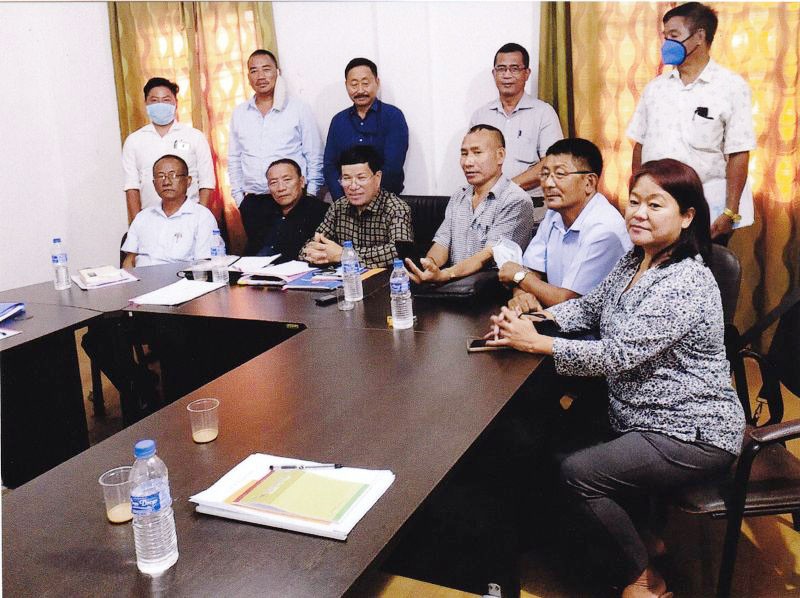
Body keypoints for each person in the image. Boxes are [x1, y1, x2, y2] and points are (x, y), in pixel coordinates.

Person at [487, 158, 745, 597]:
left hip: (691, 430)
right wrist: (534, 317)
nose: (638, 213)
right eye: (634, 201)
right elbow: (589, 309)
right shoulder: (636, 260)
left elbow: (619, 354)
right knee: (549, 440)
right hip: (640, 414)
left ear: (687, 217)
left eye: (655, 205)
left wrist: (537, 343)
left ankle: (644, 576)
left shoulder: (686, 280)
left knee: (579, 471)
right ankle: (644, 535)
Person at [627, 2, 756, 245]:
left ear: (699, 36)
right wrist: (636, 196)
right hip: (655, 209)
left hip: (705, 207)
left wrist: (730, 211)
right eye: (665, 36)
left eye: (674, 36)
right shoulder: (656, 88)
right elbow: (639, 145)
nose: (667, 44)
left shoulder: (731, 87)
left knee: (700, 275)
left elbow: (738, 152)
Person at [498, 138, 632, 312]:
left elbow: (569, 300)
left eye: (560, 174)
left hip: (596, 327)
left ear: (589, 183)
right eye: (545, 174)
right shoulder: (554, 214)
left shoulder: (604, 229)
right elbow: (530, 270)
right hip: (558, 316)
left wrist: (518, 276)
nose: (548, 183)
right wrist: (522, 297)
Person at [405, 124, 534, 285]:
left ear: (500, 156)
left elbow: (488, 255)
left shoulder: (516, 200)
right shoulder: (460, 195)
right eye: (464, 154)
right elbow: (442, 243)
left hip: (490, 292)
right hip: (453, 287)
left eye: (477, 153)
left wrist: (446, 274)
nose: (468, 162)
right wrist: (429, 265)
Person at [471, 42, 563, 222]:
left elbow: (551, 162)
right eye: (501, 69)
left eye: (514, 69)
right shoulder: (480, 115)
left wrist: (505, 189)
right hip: (487, 207)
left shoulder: (543, 113)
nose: (507, 75)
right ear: (494, 73)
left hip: (531, 206)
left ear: (526, 73)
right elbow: (471, 161)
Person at [228, 49, 324, 207]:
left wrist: (311, 195)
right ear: (248, 77)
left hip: (295, 198)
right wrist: (240, 199)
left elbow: (314, 155)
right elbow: (234, 159)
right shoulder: (239, 113)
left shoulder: (298, 108)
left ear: (278, 72)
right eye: (254, 71)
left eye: (266, 69)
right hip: (255, 201)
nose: (260, 76)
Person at [301, 145, 413, 269]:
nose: (353, 186)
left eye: (361, 178)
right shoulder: (338, 207)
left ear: (377, 178)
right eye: (346, 178)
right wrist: (314, 252)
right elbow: (309, 247)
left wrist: (344, 255)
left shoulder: (396, 208)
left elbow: (400, 251)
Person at [122, 77, 215, 223]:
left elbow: (206, 182)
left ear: (176, 103)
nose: (160, 105)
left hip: (189, 217)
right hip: (150, 219)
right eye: (154, 100)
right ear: (145, 103)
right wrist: (137, 225)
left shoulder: (194, 136)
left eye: (166, 100)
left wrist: (200, 218)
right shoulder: (134, 140)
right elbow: (132, 186)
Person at [324, 57, 409, 200]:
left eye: (365, 83)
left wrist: (372, 200)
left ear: (377, 82)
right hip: (346, 202)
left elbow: (393, 166)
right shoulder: (338, 121)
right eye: (354, 84)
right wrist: (342, 200)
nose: (360, 90)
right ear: (346, 85)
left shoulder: (393, 116)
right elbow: (329, 165)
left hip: (385, 202)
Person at [122, 154, 217, 268]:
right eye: (160, 176)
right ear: (154, 183)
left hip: (182, 283)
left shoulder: (202, 217)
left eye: (173, 175)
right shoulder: (142, 217)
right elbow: (129, 261)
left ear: (188, 181)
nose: (166, 181)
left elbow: (204, 265)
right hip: (142, 282)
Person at [240, 158, 328, 260]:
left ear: (302, 181)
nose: (281, 188)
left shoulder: (319, 211)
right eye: (273, 182)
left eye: (287, 180)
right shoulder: (260, 210)